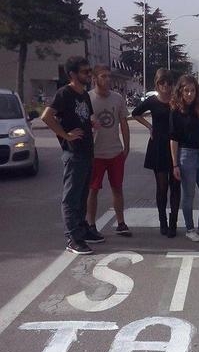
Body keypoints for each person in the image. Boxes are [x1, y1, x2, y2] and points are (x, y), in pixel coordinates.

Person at [41, 56, 96, 255]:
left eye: (89, 71)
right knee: (71, 198)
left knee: (82, 195)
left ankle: (81, 231)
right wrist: (65, 135)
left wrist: (92, 122)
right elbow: (46, 116)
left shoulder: (85, 95)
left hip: (87, 151)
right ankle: (73, 239)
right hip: (73, 153)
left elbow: (85, 116)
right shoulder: (64, 93)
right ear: (72, 74)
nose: (89, 75)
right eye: (85, 72)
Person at [169, 75, 199, 242]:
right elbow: (174, 140)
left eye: (192, 91)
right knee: (188, 195)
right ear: (181, 92)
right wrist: (175, 164)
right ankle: (190, 228)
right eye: (186, 91)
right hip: (186, 155)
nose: (190, 94)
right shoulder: (176, 112)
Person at [132, 68, 180, 237]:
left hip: (176, 145)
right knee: (162, 187)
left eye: (168, 82)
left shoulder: (177, 100)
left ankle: (173, 222)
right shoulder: (152, 101)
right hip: (158, 146)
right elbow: (135, 113)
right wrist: (149, 126)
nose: (165, 86)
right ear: (157, 84)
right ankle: (163, 222)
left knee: (176, 187)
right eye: (162, 83)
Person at [87, 64, 131, 239]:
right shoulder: (87, 98)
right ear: (95, 79)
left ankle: (121, 223)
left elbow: (124, 123)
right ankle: (91, 224)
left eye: (108, 76)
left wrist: (126, 146)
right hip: (96, 153)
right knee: (93, 190)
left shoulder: (117, 98)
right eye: (103, 76)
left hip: (115, 152)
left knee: (117, 188)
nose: (107, 79)